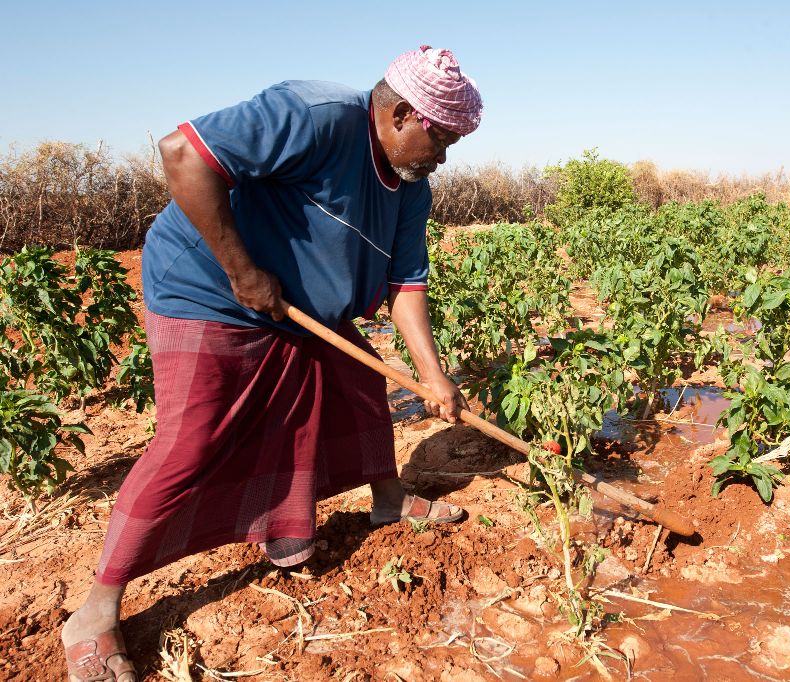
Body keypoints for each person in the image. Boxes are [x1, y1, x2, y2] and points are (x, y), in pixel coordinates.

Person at [62, 46, 483, 682]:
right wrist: (243, 272)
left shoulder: (410, 189)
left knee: (360, 393)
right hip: (209, 289)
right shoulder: (314, 114)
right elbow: (183, 153)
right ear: (402, 115)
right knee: (192, 442)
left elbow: (407, 285)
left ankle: (389, 499)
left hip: (302, 305)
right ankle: (96, 609)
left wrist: (431, 373)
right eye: (441, 140)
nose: (443, 157)